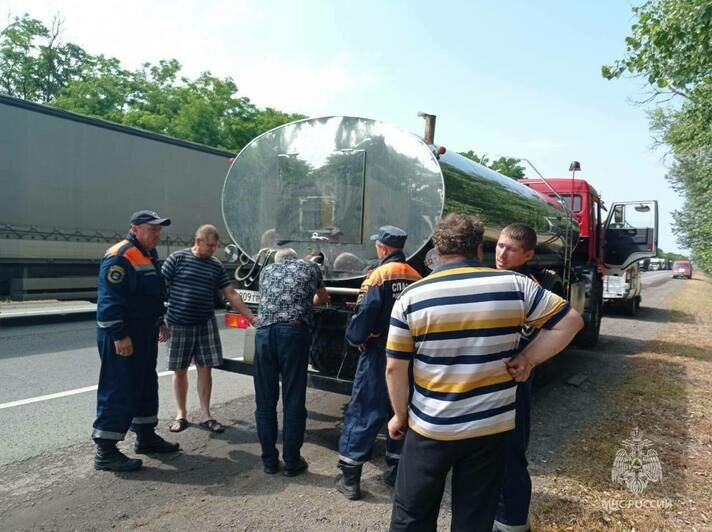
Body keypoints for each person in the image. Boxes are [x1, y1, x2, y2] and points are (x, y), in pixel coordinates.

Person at [385, 213, 583, 531]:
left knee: (413, 514)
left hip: (432, 428)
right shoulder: (517, 286)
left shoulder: (412, 297)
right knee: (475, 517)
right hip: (490, 428)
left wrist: (399, 415)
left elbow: (395, 366)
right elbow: (571, 321)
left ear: (436, 249)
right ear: (480, 249)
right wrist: (530, 359)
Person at [336, 225, 422, 500]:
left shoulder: (378, 275)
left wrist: (356, 336)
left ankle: (350, 478)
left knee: (364, 410)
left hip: (377, 354)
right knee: (400, 410)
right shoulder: (417, 276)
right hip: (408, 357)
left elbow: (366, 312)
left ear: (382, 249)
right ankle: (395, 473)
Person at [92, 210, 179, 472]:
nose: (157, 234)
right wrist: (119, 334)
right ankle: (105, 452)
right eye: (152, 229)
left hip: (144, 333)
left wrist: (159, 321)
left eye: (159, 229)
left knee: (144, 384)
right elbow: (109, 300)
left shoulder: (146, 254)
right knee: (119, 387)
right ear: (135, 228)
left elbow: (149, 295)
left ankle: (146, 437)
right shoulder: (121, 255)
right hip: (125, 335)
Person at [162, 224, 257, 434]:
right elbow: (159, 288)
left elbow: (231, 293)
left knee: (206, 368)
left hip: (205, 324)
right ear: (198, 241)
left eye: (216, 246)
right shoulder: (177, 259)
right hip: (178, 324)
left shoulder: (214, 265)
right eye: (210, 245)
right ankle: (181, 414)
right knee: (180, 371)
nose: (214, 250)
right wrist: (159, 319)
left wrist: (250, 317)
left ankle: (206, 415)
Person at [253, 248, 330, 476]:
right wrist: (308, 301)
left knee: (265, 400)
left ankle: (269, 461)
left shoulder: (266, 271)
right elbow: (323, 297)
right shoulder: (311, 267)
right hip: (293, 332)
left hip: (264, 333)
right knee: (293, 396)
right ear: (295, 258)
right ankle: (292, 462)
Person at [494, 223, 540, 532]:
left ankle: (513, 523)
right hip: (487, 383)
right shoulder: (491, 278)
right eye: (499, 245)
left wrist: (529, 360)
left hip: (514, 382)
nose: (501, 253)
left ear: (527, 255)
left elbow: (553, 330)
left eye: (510, 249)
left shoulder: (529, 287)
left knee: (511, 453)